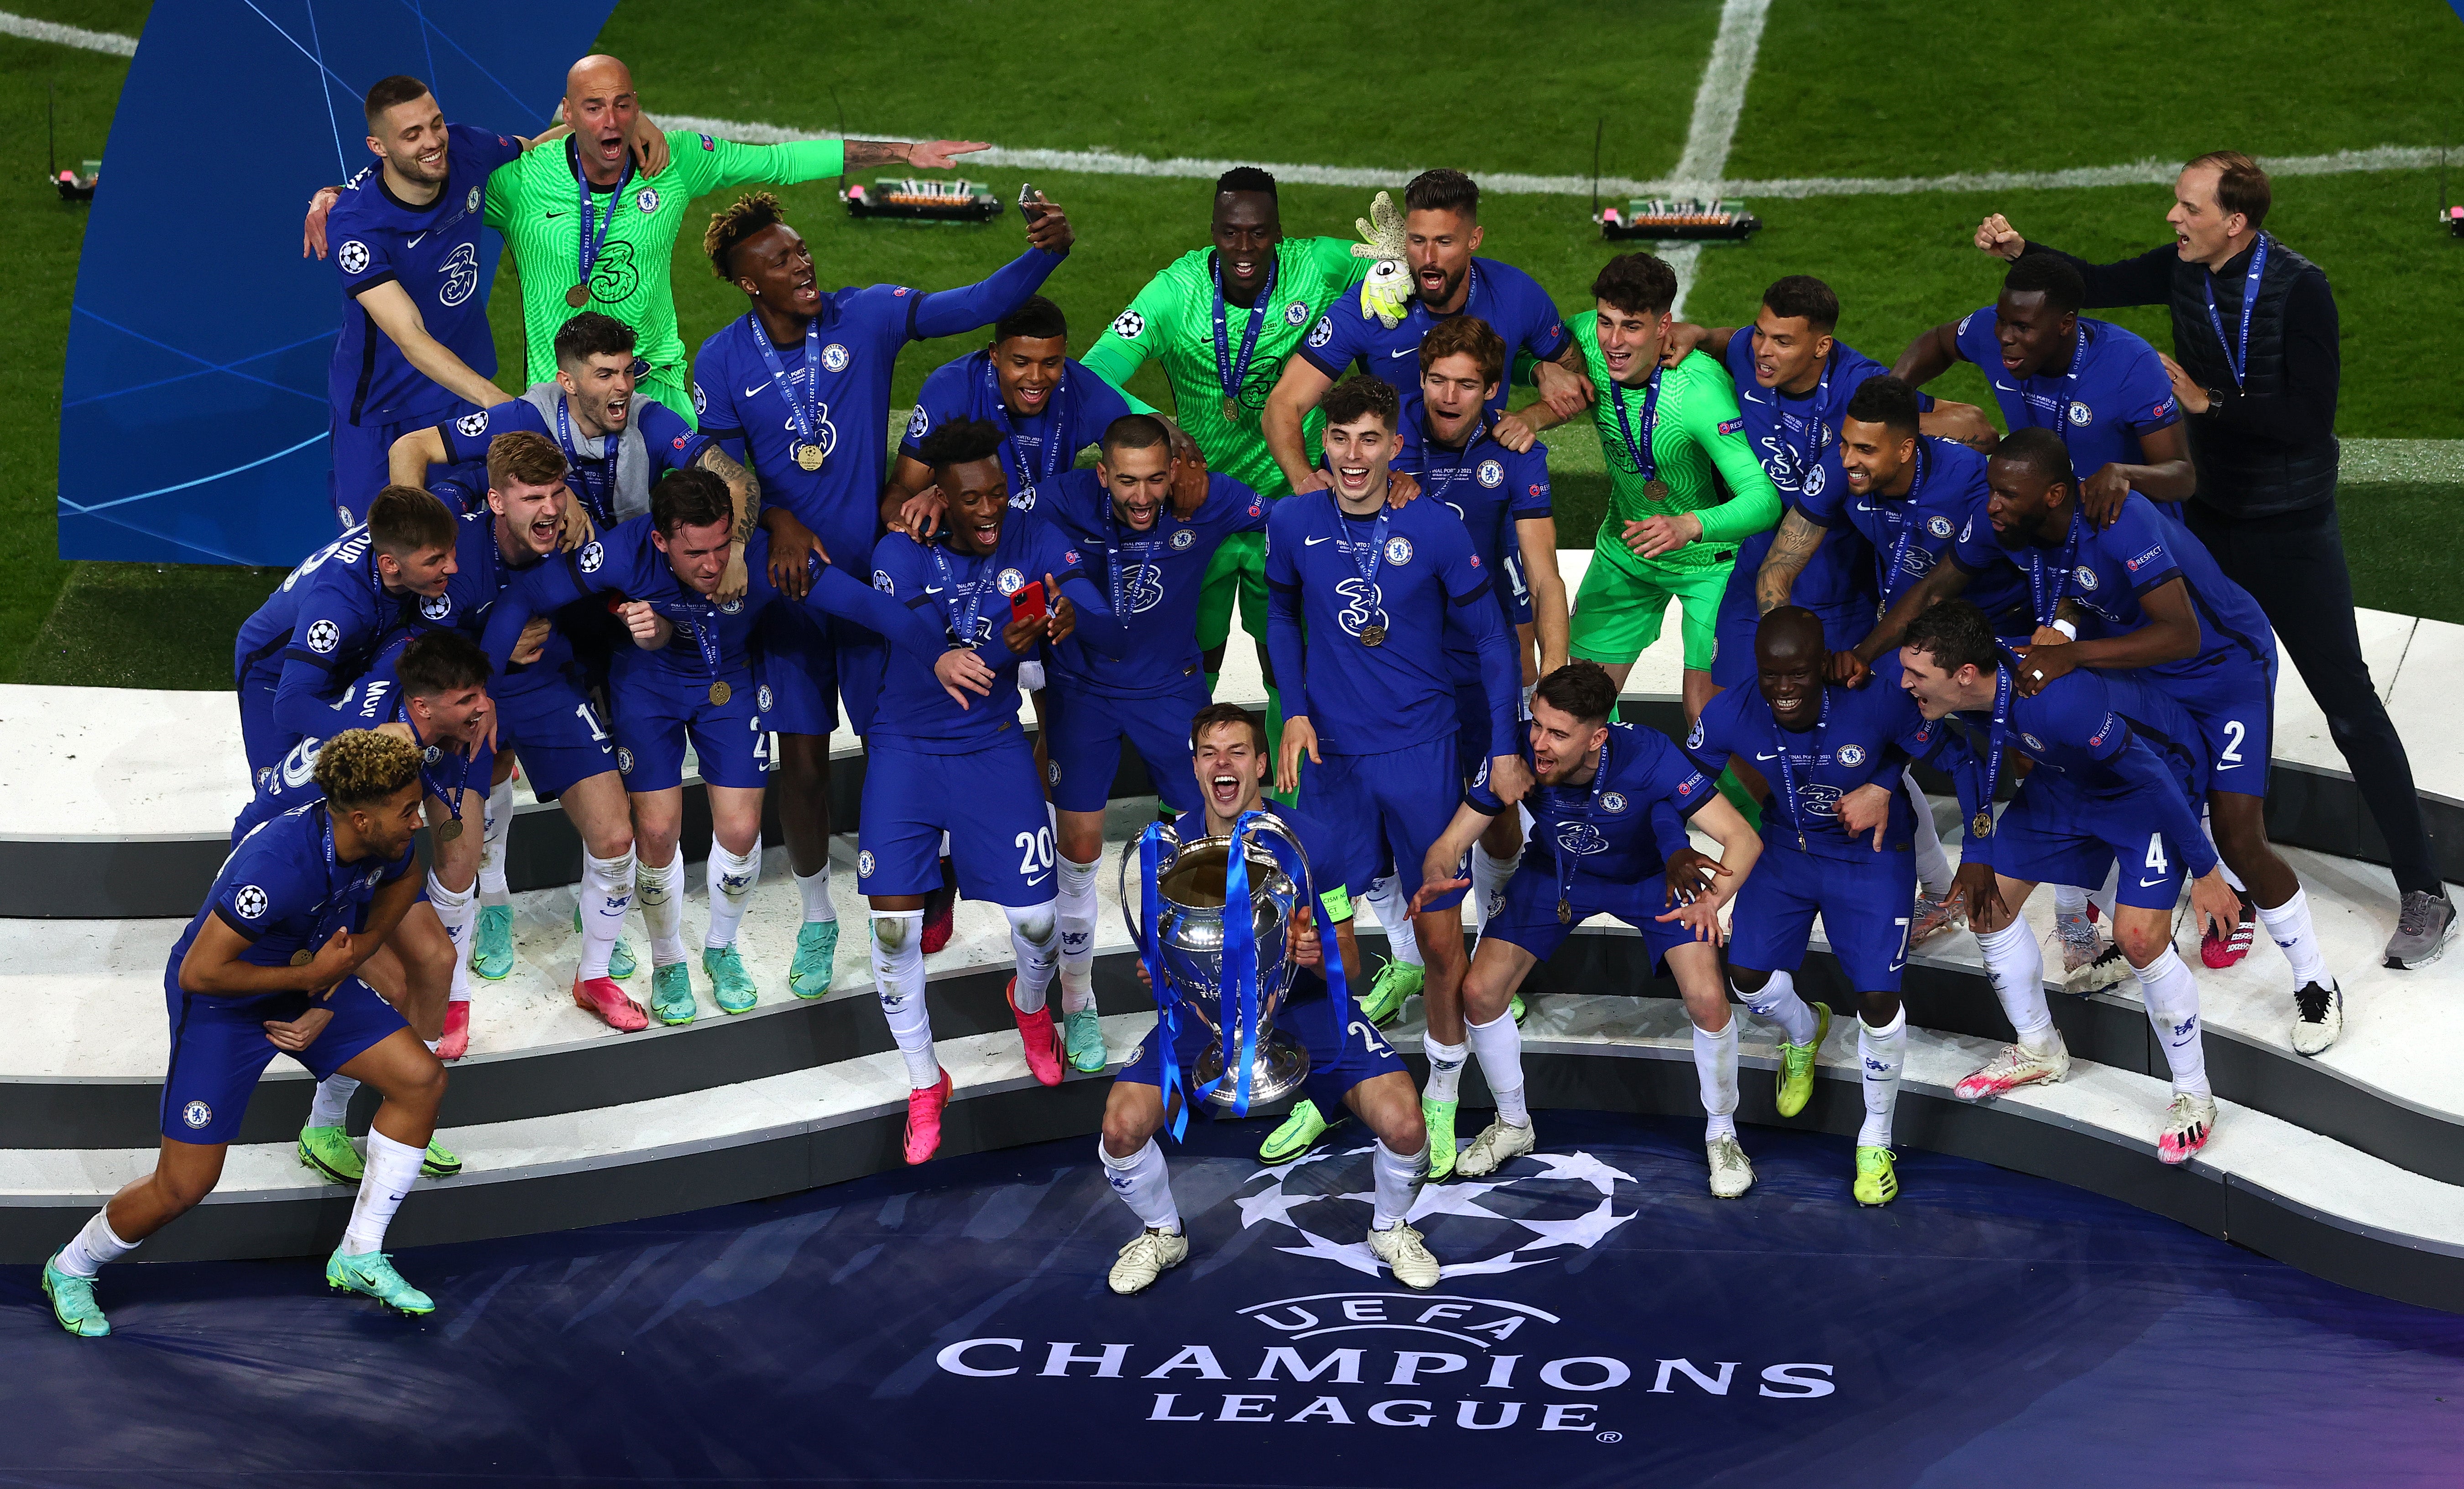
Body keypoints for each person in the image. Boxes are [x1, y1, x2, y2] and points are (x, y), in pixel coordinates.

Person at [1971, 151, 2453, 968]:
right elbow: (2093, 280)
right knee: (2180, 691)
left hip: (2290, 527)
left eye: (2187, 206)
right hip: (2203, 524)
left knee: (2346, 702)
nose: (2173, 217)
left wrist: (2208, 403)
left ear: (2235, 221)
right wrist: (2024, 252)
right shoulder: (2184, 270)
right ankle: (2219, 874)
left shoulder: (2303, 289)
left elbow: (2310, 417)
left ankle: (2424, 890)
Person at [692, 188, 1074, 983]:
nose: (804, 266)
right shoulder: (721, 361)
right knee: (800, 763)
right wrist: (774, 525)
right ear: (748, 283)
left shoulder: (863, 315)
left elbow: (974, 305)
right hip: (793, 591)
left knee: (892, 745)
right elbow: (723, 473)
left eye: (800, 251)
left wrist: (1045, 253)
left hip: (875, 586)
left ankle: (920, 884)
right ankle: (817, 916)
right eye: (782, 262)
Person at [482, 469, 984, 1025]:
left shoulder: (764, 559)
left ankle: (721, 947)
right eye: (695, 552)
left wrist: (937, 653)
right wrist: (484, 676)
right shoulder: (623, 554)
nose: (713, 565)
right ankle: (670, 958)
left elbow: (866, 605)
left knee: (742, 831)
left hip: (728, 682)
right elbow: (526, 592)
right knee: (655, 831)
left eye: (723, 546)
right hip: (648, 685)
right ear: (660, 540)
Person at [1256, 314, 1561, 1168]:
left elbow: (1497, 640)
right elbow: (1280, 610)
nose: (1353, 456)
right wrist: (1294, 709)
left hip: (1423, 756)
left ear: (1396, 445)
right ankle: (1330, 1088)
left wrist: (1504, 744)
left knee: (1436, 943)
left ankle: (1439, 1091)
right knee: (1323, 936)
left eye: (1369, 440)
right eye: (1340, 439)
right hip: (1329, 765)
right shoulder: (1292, 521)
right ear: (1324, 441)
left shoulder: (1434, 527)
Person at [41, 732, 456, 1336]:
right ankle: (71, 1268)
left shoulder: (382, 839)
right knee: (185, 1184)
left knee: (420, 1080)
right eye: (406, 812)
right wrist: (316, 974)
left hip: (306, 976)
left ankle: (360, 1253)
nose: (416, 821)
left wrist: (342, 968)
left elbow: (403, 880)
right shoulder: (278, 868)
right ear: (362, 819)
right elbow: (200, 970)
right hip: (221, 1006)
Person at [314, 57, 987, 425]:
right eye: (594, 108)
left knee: (689, 549)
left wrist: (904, 150)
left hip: (655, 387)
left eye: (624, 105)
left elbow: (782, 160)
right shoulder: (520, 181)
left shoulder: (678, 161)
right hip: (557, 402)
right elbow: (422, 188)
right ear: (568, 115)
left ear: (637, 108)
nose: (612, 121)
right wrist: (342, 197)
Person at [1962, 429, 2344, 1051]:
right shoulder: (2043, 531)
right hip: (2150, 675)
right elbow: (2079, 587)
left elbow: (2183, 636)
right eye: (1991, 490)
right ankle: (2141, 934)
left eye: (2006, 492)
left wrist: (2073, 654)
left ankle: (2316, 983)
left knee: (2240, 836)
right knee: (2119, 786)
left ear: (2054, 493)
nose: (1992, 504)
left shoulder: (2120, 521)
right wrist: (2060, 626)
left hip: (2225, 676)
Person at [1657, 279, 1972, 949]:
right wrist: (1694, 334)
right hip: (1763, 588)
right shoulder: (1746, 350)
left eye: (1783, 340)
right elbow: (1724, 339)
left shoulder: (1861, 387)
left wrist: (1962, 441)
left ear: (1821, 346)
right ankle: (1800, 833)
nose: (1763, 350)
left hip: (1844, 596)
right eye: (1761, 334)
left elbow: (1956, 421)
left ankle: (1933, 882)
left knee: (1857, 738)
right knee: (1727, 715)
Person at [862, 420, 1131, 1163]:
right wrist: (995, 647)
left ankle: (1032, 1003)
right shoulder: (898, 550)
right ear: (936, 498)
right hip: (907, 749)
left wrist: (1078, 610)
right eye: (971, 498)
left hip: (991, 747)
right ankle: (925, 1079)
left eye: (998, 493)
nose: (989, 511)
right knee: (891, 930)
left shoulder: (1033, 536)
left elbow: (1101, 618)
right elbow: (941, 655)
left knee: (1039, 922)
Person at [1100, 703, 1438, 1294]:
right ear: (1197, 767)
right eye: (1209, 753)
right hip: (1203, 1014)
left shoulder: (1313, 843)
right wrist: (1162, 973)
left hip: (1303, 1008)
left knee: (1407, 1124)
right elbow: (1167, 952)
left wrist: (1320, 954)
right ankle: (1162, 1233)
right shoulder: (1168, 844)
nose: (1222, 764)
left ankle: (1390, 1227)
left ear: (1261, 764)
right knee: (1120, 1130)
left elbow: (1351, 962)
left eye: (1237, 752)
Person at [1899, 600, 2240, 1166]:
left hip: (2146, 783)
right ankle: (2040, 1048)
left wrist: (2206, 870)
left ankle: (2195, 1095)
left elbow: (2152, 775)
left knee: (2139, 940)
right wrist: (1980, 850)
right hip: (2066, 784)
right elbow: (1967, 760)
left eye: (1917, 676)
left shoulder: (2057, 702)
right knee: (1987, 907)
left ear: (1963, 676)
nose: (1905, 684)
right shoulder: (1965, 684)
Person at [1414, 661, 1764, 1196]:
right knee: (1480, 993)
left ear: (1597, 737)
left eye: (1558, 733)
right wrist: (1438, 874)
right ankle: (1514, 1124)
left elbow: (1744, 839)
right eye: (1537, 725)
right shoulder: (1515, 755)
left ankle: (1723, 1133)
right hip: (1556, 874)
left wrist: (1711, 903)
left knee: (1709, 1001)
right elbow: (1449, 844)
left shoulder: (1649, 754)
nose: (1541, 743)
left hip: (1649, 880)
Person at [1684, 610, 1985, 1205]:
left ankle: (1875, 1140)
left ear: (1824, 665)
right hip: (1786, 852)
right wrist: (1674, 851)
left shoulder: (1872, 698)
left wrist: (1971, 848)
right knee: (1746, 977)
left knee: (1877, 1000)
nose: (1785, 690)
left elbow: (1963, 759)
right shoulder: (1729, 711)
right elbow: (1679, 780)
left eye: (1798, 674)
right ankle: (1804, 1029)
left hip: (1870, 857)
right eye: (1771, 675)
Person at [1081, 167, 1378, 752]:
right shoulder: (1176, 292)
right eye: (1231, 233)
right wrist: (1161, 428)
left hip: (1288, 508)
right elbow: (1092, 374)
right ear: (1213, 231)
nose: (1244, 249)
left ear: (1279, 233)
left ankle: (1291, 809)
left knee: (1289, 667)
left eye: (1259, 234)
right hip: (1199, 510)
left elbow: (1411, 273)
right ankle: (1186, 810)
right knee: (1194, 664)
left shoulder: (1317, 265)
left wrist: (1398, 260)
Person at [1027, 416, 1271, 1072]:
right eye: (1127, 482)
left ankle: (1208, 994)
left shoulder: (1209, 496)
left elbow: (1285, 516)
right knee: (1077, 851)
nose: (1142, 498)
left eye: (1156, 480)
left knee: (1214, 841)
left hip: (1171, 693)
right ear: (1102, 474)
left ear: (1177, 472)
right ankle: (1076, 1003)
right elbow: (994, 518)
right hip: (1081, 694)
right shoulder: (1058, 499)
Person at [236, 630, 493, 1181]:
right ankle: (323, 1127)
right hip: (297, 862)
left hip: (358, 846)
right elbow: (342, 843)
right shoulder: (391, 756)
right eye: (468, 699)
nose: (482, 707)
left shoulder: (407, 708)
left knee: (437, 962)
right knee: (396, 984)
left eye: (480, 693)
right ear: (423, 706)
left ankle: (407, 1118)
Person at [1510, 253, 1781, 722]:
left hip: (1712, 564)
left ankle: (1718, 799)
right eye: (1606, 322)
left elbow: (1763, 499)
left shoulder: (1700, 391)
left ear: (1664, 326)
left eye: (1632, 327)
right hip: (1628, 551)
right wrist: (1540, 371)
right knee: (1581, 705)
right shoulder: (1584, 344)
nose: (1614, 342)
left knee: (1707, 719)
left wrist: (1689, 526)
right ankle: (1608, 793)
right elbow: (1499, 357)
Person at [1266, 168, 1590, 468]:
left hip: (1479, 482)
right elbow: (1283, 405)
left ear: (1474, 240)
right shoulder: (1370, 306)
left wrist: (1533, 416)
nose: (1429, 258)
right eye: (1417, 241)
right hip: (1387, 492)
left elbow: (1578, 380)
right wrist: (1305, 480)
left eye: (1444, 242)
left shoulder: (1516, 294)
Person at [322, 77, 530, 526]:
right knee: (380, 545)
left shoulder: (468, 148)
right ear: (378, 146)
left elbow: (536, 150)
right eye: (412, 135)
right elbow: (409, 335)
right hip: (384, 408)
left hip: (459, 392)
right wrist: (496, 400)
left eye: (435, 124)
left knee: (467, 534)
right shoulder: (357, 227)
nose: (433, 141)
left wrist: (634, 131)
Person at [391, 313, 751, 556]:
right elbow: (410, 447)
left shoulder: (651, 421)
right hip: (541, 568)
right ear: (568, 383)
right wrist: (413, 535)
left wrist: (735, 552)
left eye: (628, 371)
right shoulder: (527, 416)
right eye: (606, 375)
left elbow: (738, 481)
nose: (624, 387)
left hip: (623, 568)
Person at [1893, 254, 2194, 518]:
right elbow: (1939, 342)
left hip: (2119, 527)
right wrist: (1891, 390)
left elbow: (2182, 476)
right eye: (2002, 321)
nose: (2005, 337)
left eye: (2022, 327)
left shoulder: (2130, 364)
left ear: (2066, 324)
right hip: (2039, 520)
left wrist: (2126, 474)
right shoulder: (1991, 332)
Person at [231, 485, 459, 780]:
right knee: (283, 790)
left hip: (352, 652)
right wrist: (372, 734)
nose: (452, 566)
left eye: (451, 550)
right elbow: (290, 705)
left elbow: (468, 483)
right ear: (389, 565)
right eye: (434, 561)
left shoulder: (418, 528)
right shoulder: (337, 604)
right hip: (275, 675)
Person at [888, 296, 1134, 516]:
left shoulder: (1091, 396)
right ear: (995, 355)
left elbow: (1140, 476)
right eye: (1021, 363)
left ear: (1064, 353)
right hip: (972, 527)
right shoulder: (952, 389)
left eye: (1051, 363)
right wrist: (905, 522)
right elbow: (903, 488)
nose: (1036, 377)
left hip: (1046, 533)